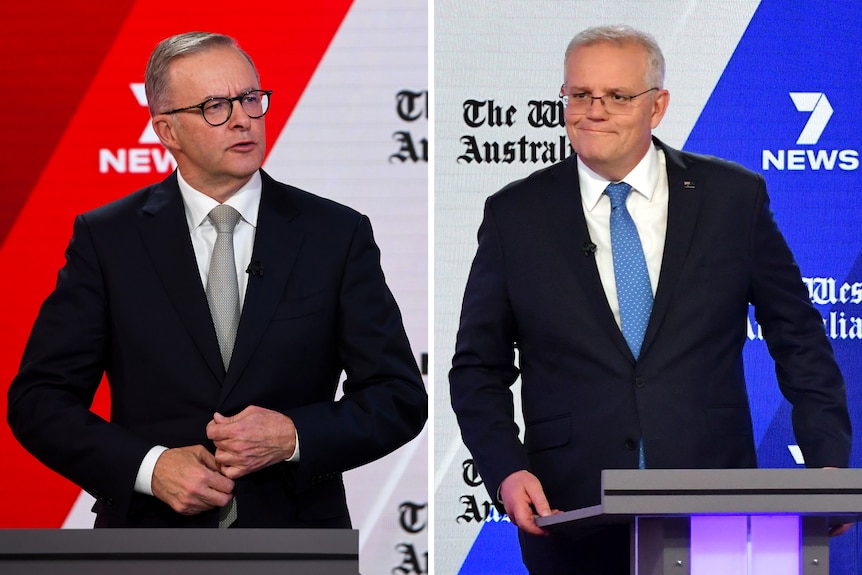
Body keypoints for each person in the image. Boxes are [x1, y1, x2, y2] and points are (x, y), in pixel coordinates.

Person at [449, 24, 851, 574]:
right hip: (571, 512)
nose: (594, 110)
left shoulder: (732, 198)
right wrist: (505, 470)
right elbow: (476, 368)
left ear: (657, 106)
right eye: (580, 94)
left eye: (617, 96)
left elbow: (798, 336)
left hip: (715, 510)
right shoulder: (514, 215)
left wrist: (828, 460)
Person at [7, 32, 427, 529]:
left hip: (295, 539)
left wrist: (294, 435)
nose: (243, 118)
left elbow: (397, 396)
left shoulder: (336, 234)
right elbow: (40, 401)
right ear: (167, 131)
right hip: (150, 540)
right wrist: (149, 466)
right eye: (214, 106)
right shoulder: (107, 240)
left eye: (251, 98)